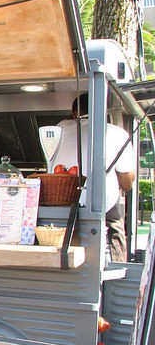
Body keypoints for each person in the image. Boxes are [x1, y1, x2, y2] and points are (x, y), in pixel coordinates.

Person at [52, 94, 135, 261]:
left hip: (62, 203)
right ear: (103, 110)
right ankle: (115, 275)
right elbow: (127, 184)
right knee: (116, 228)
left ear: (74, 112)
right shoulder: (117, 133)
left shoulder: (58, 128)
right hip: (101, 207)